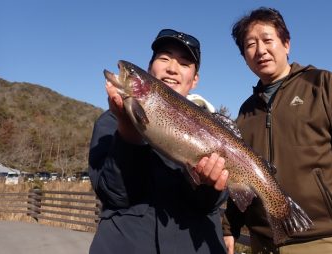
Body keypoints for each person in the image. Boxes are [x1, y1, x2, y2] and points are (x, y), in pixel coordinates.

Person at [222, 7, 332, 254]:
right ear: (244, 56)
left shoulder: (321, 85)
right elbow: (241, 175)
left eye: (268, 40)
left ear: (286, 44)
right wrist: (229, 228)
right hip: (262, 244)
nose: (260, 50)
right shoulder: (246, 112)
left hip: (321, 241)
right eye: (250, 45)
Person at [88, 28, 229, 254]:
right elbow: (114, 196)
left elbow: (209, 205)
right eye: (164, 58)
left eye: (184, 64)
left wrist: (208, 186)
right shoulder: (110, 122)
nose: (172, 68)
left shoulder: (214, 130)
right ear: (149, 68)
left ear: (194, 80)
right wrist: (127, 131)